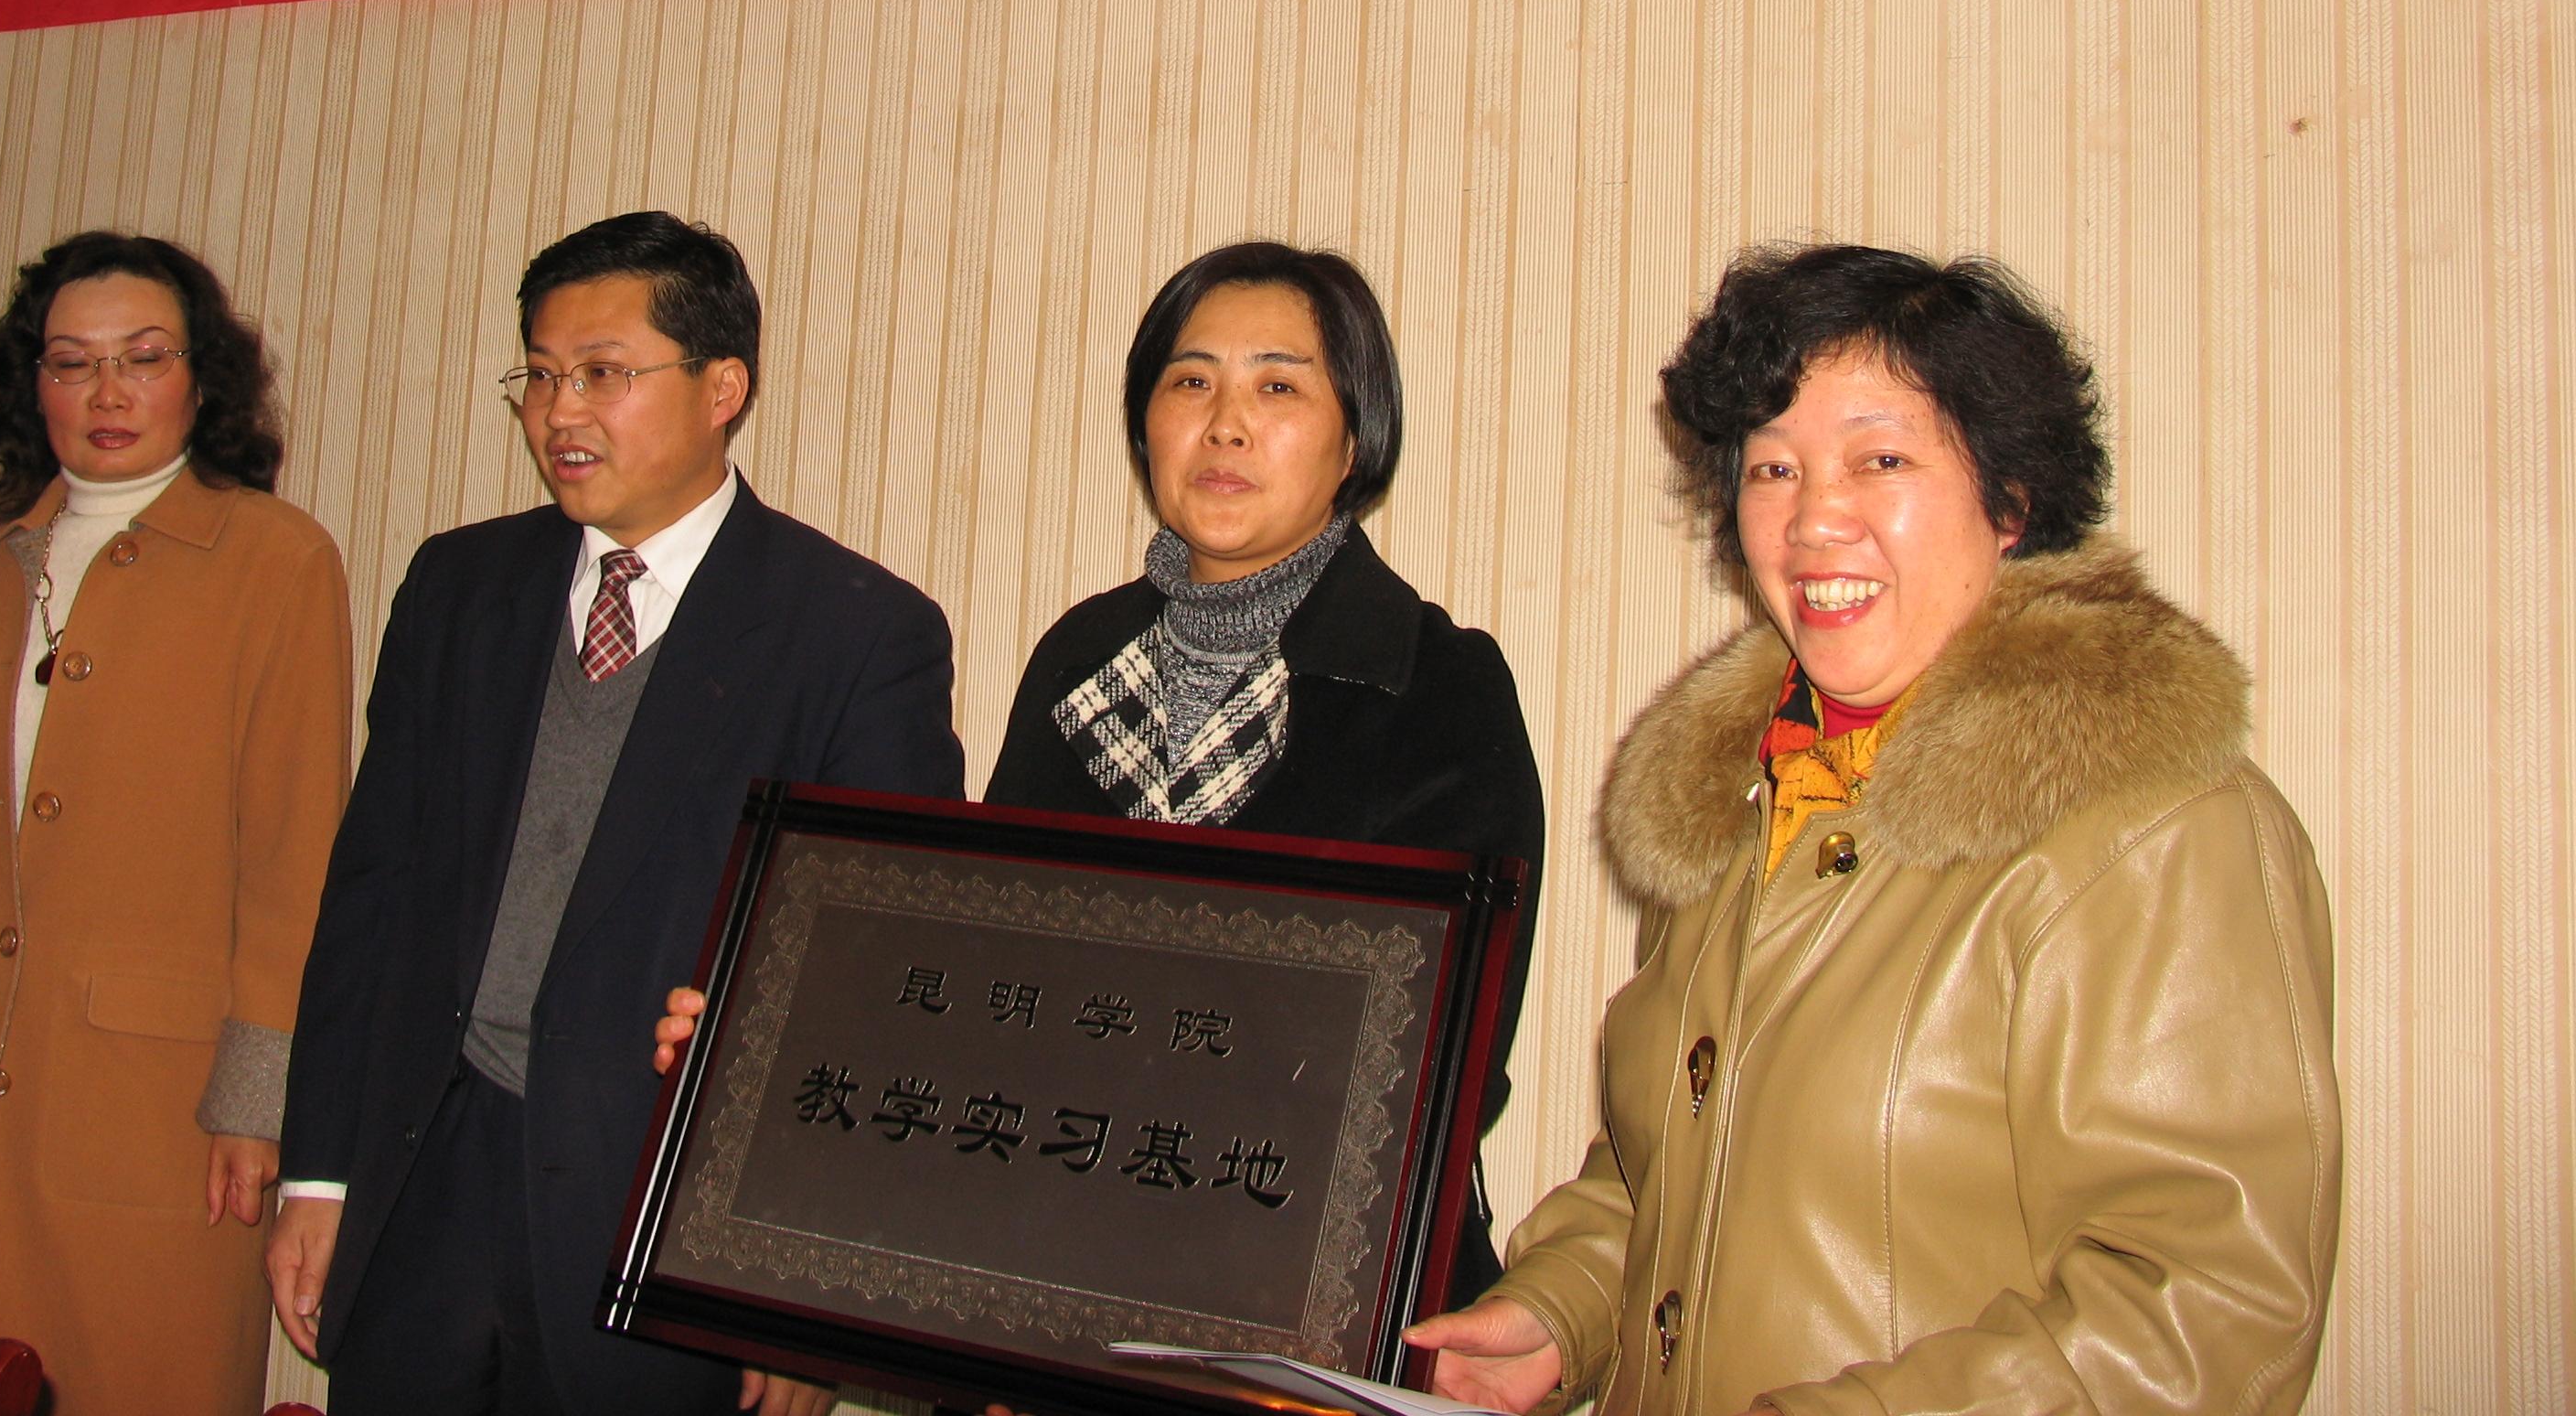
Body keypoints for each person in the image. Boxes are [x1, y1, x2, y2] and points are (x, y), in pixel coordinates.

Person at [1407, 242, 2340, 1416]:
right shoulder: (1750, 804)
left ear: (2011, 500)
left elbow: (2203, 1314)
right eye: (1773, 469)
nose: (1813, 520)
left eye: (1880, 459)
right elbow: (1674, 1173)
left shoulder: (2158, 832)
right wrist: (1559, 1314)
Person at [657, 240, 1548, 1317]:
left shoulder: (1438, 683)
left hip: (1306, 1312)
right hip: (1047, 1281)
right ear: (1146, 425)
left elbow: (1442, 1066)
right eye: (1190, 382)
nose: (1225, 424)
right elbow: (994, 981)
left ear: (1355, 435)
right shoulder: (1079, 659)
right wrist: (777, 1026)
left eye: (1278, 387)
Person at [269, 212, 965, 1416]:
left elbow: (883, 978)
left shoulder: (856, 634)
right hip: (425, 1181)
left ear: (722, 388)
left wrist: (798, 1285)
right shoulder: (456, 589)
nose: (561, 414)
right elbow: (370, 893)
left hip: (663, 1216)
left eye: (602, 373)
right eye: (540, 377)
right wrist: (319, 1176)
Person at [0, 231, 354, 1416]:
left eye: (143, 358)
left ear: (201, 380)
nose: (107, 393)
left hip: (155, 1115)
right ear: (31, 383)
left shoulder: (277, 560)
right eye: (71, 362)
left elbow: (296, 855)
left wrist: (261, 1104)